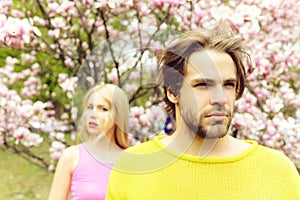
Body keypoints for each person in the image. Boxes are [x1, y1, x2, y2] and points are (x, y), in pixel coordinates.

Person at [106, 24, 300, 199]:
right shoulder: (132, 168)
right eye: (202, 85)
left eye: (229, 84)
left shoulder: (278, 172)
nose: (220, 98)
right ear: (172, 92)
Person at [48, 83, 130, 200]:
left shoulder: (131, 160)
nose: (93, 114)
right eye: (90, 107)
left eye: (103, 109)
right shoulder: (71, 156)